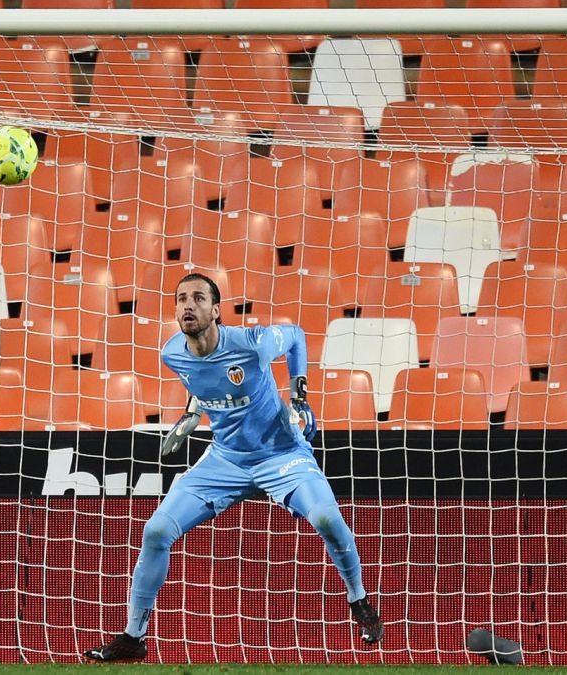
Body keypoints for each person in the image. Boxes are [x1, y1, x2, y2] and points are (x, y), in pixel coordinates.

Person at [83, 272, 382, 662]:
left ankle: (358, 599)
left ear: (216, 310)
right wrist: (192, 413)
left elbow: (295, 336)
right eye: (181, 299)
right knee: (156, 530)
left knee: (327, 519)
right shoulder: (172, 353)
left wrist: (300, 395)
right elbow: (204, 381)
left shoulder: (250, 343)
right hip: (225, 458)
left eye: (198, 298)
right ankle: (133, 637)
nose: (188, 305)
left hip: (281, 454)